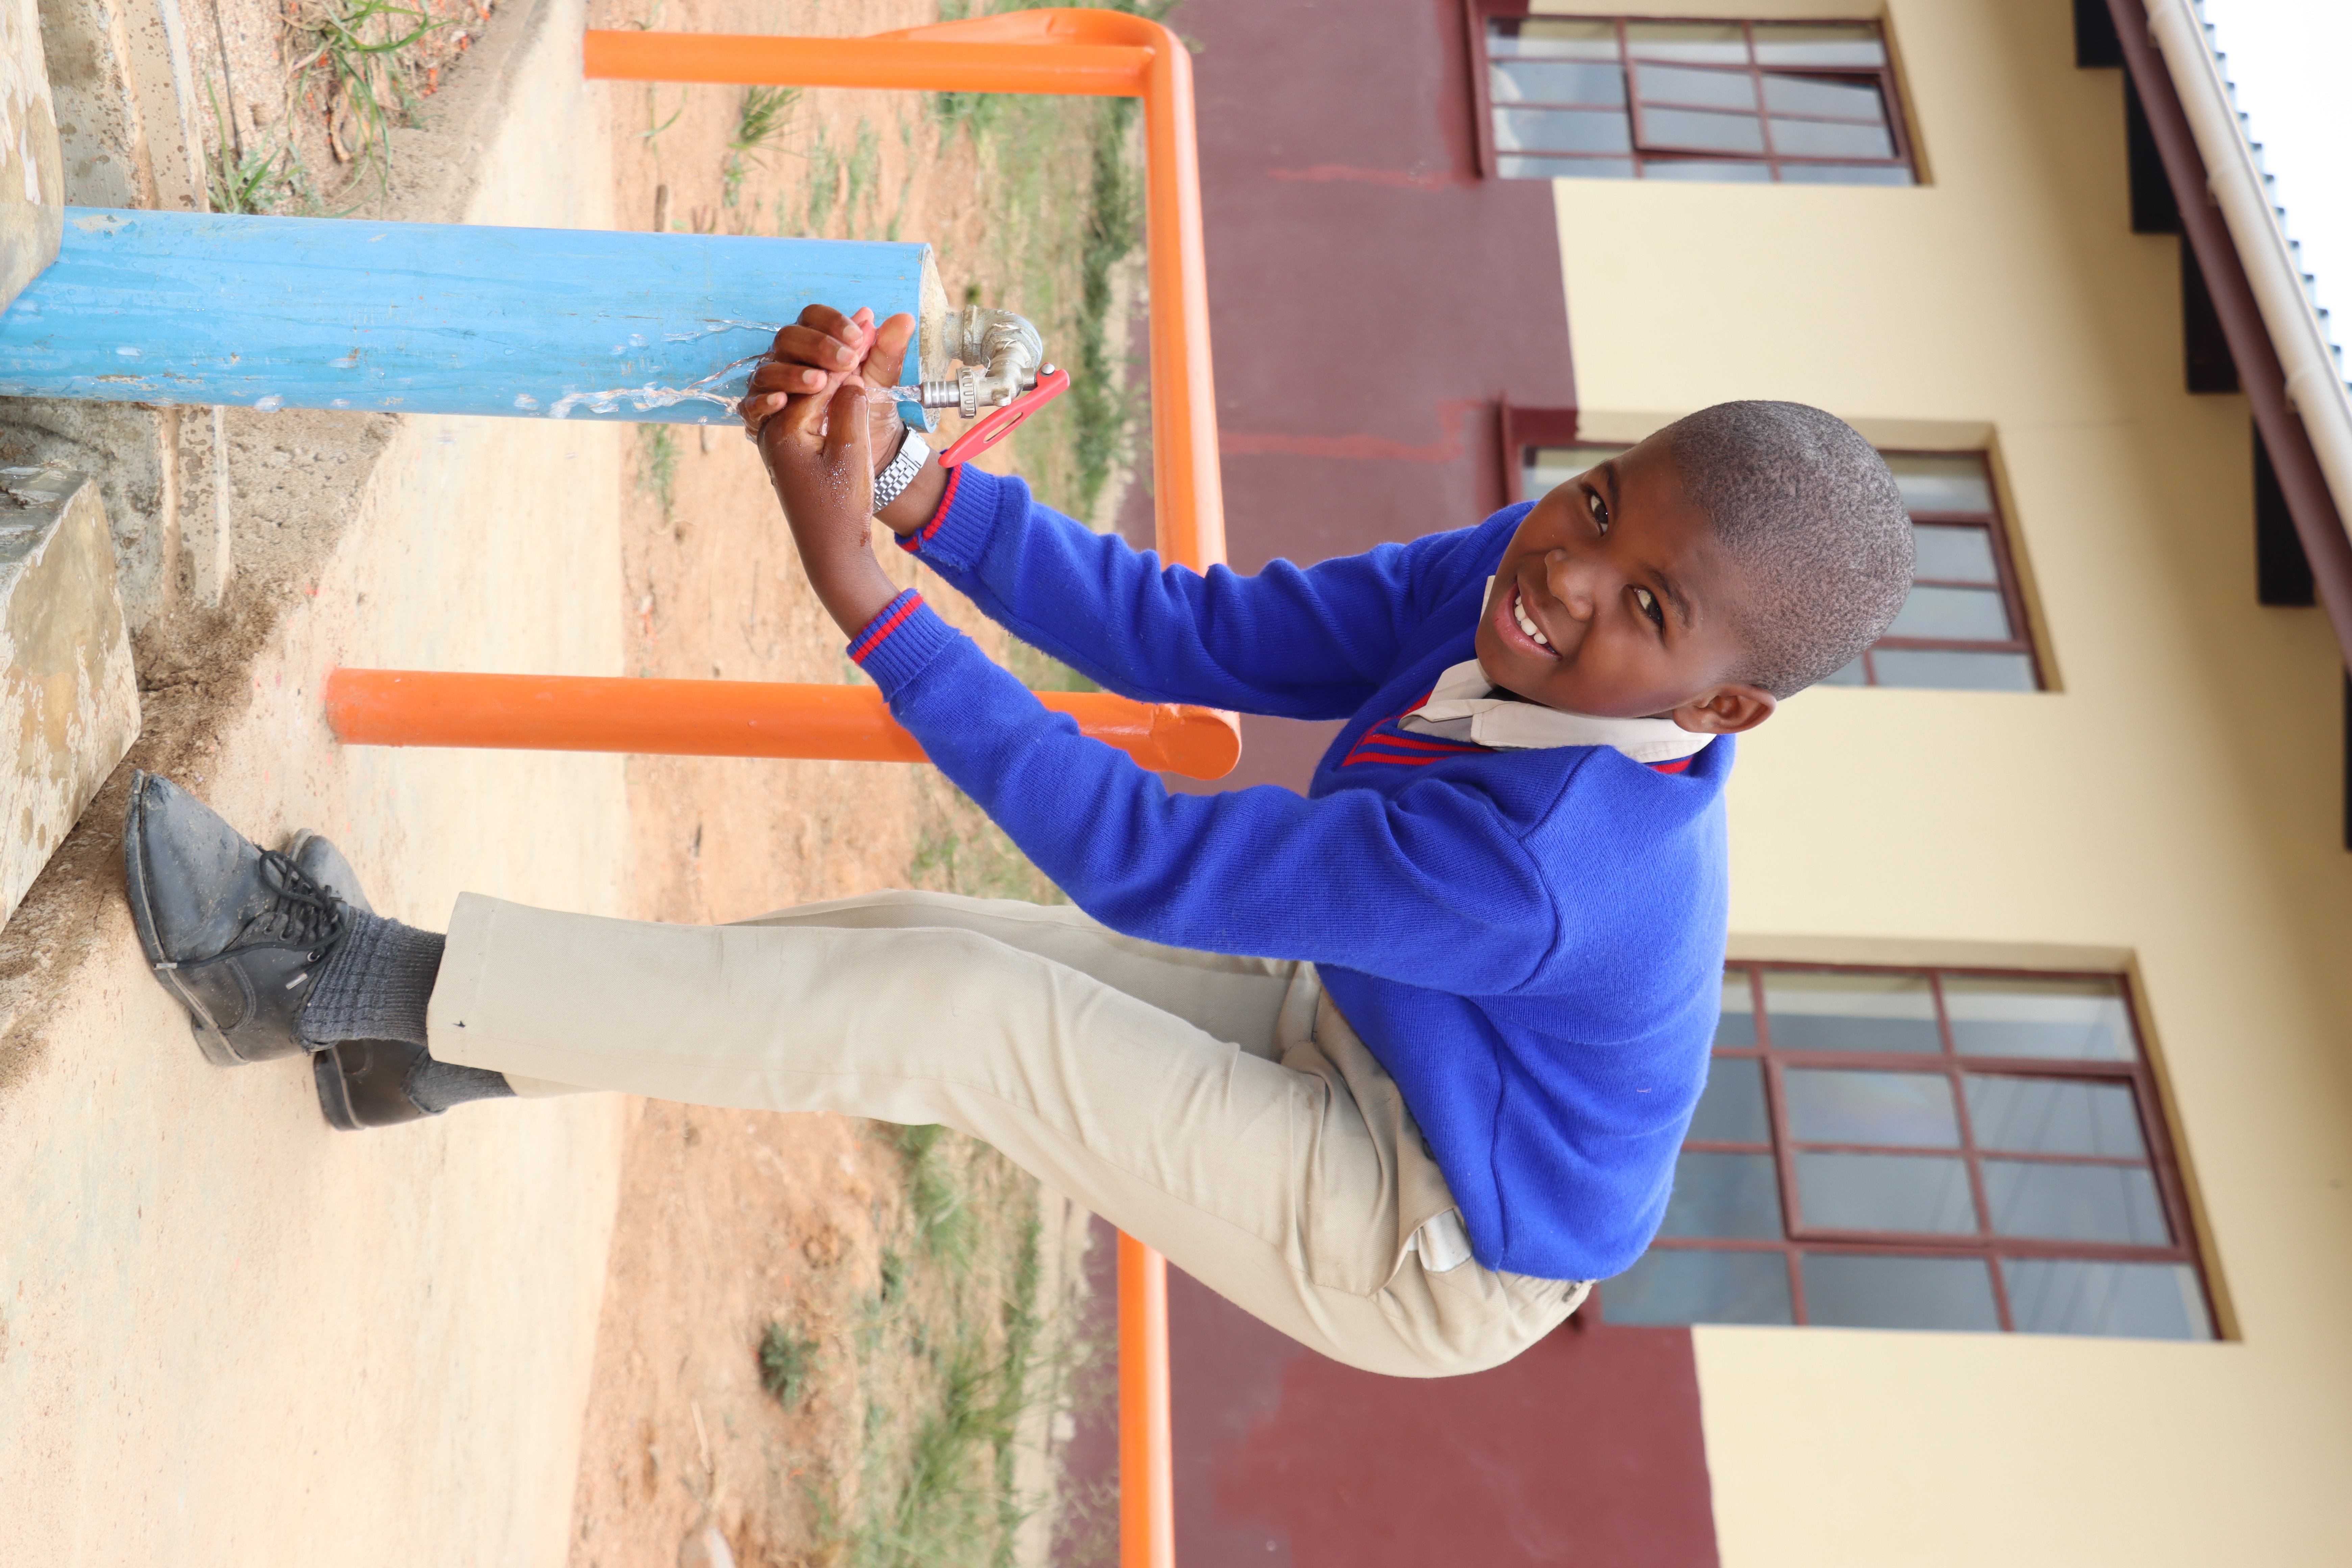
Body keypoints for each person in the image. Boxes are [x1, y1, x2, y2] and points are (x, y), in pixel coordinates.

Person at [122, 305, 1912, 1377]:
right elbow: (1207, 633)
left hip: (1435, 1235)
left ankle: (319, 981)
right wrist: (909, 484)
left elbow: (1153, 861)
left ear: (1725, 708)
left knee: (956, 1020)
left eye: (1650, 602)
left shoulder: (1555, 874)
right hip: (1376, 1032)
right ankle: (418, 1046)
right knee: (911, 939)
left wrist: (862, 593)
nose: (1571, 575)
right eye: (1601, 498)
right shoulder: (1521, 581)